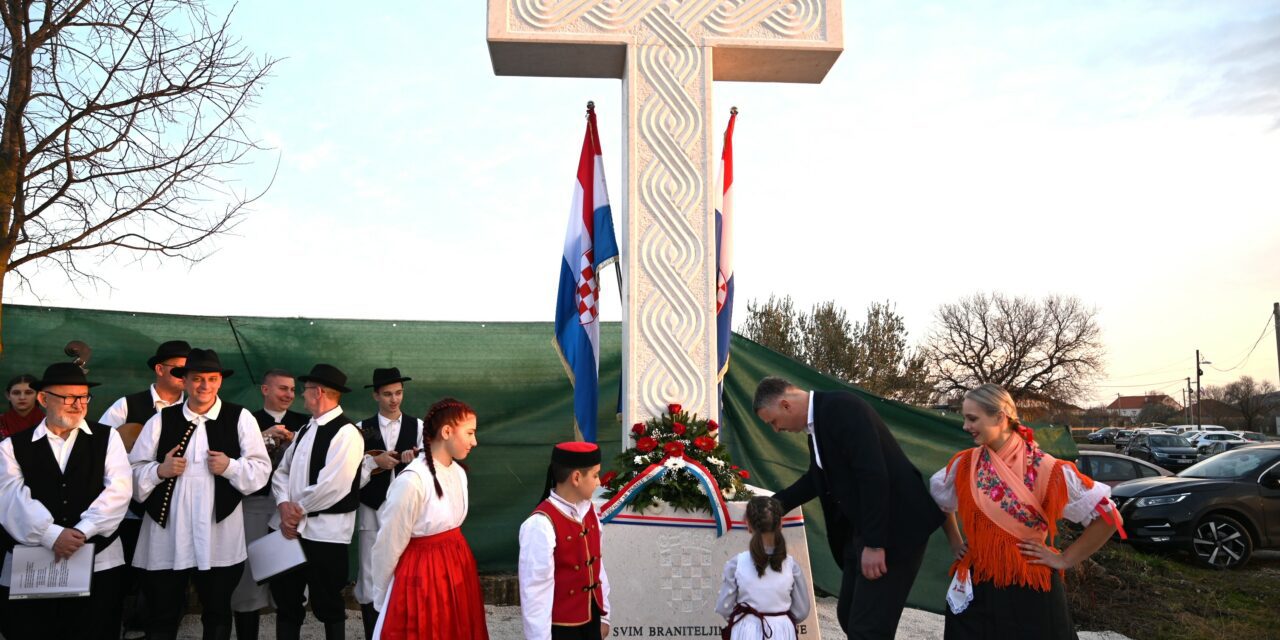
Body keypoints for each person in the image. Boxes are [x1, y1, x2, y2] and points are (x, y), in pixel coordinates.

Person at [753, 376, 943, 639]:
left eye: (772, 422)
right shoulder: (818, 423)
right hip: (864, 529)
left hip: (896, 530)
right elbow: (816, 478)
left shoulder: (842, 408)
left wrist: (876, 544)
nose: (775, 429)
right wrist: (774, 507)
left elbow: (873, 475)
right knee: (849, 614)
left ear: (785, 405)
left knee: (867, 628)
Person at [929, 383, 1121, 640]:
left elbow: (1109, 518)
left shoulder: (1048, 468)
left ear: (999, 417)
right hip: (979, 582)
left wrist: (1064, 559)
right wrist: (956, 542)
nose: (965, 426)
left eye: (972, 418)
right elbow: (941, 501)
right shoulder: (965, 464)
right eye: (965, 418)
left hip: (1029, 587)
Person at [128, 348, 272, 640]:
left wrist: (230, 466)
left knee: (218, 609)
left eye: (211, 378)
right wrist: (160, 470)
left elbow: (260, 469)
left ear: (220, 381)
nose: (204, 386)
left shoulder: (240, 418)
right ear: (184, 381)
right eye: (197, 379)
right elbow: (131, 472)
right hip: (168, 532)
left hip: (218, 533)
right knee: (163, 610)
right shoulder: (160, 420)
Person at [0, 362, 131, 640]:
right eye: (69, 397)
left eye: (83, 397)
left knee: (95, 630)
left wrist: (82, 531)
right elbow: (9, 497)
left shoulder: (108, 439)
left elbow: (118, 490)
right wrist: (51, 534)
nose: (78, 404)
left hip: (99, 562)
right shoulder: (11, 446)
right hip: (32, 565)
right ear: (44, 399)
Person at [368, 398, 487, 640]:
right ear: (446, 431)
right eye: (470, 433)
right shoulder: (412, 481)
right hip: (423, 574)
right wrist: (382, 595)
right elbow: (388, 544)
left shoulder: (458, 473)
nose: (474, 441)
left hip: (457, 564)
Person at [100, 339, 191, 639]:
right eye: (180, 370)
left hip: (172, 514)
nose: (186, 376)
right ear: (159, 369)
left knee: (166, 587)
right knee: (120, 584)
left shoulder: (195, 412)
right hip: (129, 514)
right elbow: (99, 451)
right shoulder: (126, 406)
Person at [270, 364, 364, 640]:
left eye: (306, 390)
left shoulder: (346, 433)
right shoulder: (305, 430)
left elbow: (333, 486)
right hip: (291, 530)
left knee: (328, 603)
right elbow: (282, 472)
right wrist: (283, 505)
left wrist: (295, 512)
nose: (302, 395)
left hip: (326, 536)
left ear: (319, 392)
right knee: (286, 600)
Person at [231, 369, 310, 640]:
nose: (288, 394)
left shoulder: (306, 423)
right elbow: (235, 461)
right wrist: (263, 436)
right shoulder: (247, 420)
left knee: (289, 582)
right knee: (247, 581)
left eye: (291, 389)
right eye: (282, 389)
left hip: (287, 511)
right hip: (251, 506)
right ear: (265, 390)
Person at [355, 367, 424, 639]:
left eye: (398, 393)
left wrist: (415, 459)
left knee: (406, 573)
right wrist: (375, 462)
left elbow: (429, 469)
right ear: (375, 396)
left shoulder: (418, 427)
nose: (394, 399)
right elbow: (349, 477)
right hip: (371, 513)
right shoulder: (361, 429)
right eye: (387, 394)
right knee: (370, 576)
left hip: (407, 516)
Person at [518, 441, 611, 640]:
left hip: (591, 619)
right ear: (576, 477)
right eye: (595, 475)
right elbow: (535, 592)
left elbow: (597, 566)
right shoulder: (540, 525)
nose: (599, 483)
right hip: (561, 629)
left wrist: (605, 615)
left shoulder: (590, 512)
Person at [715, 496, 812, 640]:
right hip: (782, 632)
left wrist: (744, 618)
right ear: (780, 524)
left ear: (748, 525)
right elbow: (802, 611)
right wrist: (779, 619)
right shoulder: (792, 566)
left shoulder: (736, 564)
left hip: (745, 631)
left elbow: (724, 608)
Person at [0, 373, 42, 440]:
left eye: (28, 393)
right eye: (16, 393)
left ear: (38, 395)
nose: (22, 397)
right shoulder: (2, 422)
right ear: (8, 396)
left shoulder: (48, 423)